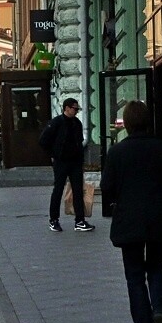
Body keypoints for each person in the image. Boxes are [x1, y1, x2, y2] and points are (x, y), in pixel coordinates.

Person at [101, 100, 162, 323]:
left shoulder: (117, 152)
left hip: (128, 220)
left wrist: (112, 207)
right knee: (157, 267)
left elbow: (106, 187)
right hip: (159, 219)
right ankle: (160, 311)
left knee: (134, 274)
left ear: (126, 125)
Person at [40, 98, 95, 232]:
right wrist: (53, 155)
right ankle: (54, 220)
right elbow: (43, 140)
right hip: (61, 162)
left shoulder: (77, 123)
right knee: (58, 190)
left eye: (77, 109)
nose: (76, 111)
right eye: (74, 109)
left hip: (75, 162)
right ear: (67, 108)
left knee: (78, 190)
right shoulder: (56, 123)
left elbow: (79, 142)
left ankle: (80, 221)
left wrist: (80, 159)